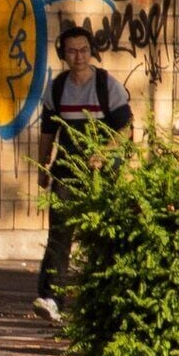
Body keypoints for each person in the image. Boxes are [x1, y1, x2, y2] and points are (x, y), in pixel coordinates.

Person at [34, 23, 134, 321]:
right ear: (63, 55)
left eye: (84, 50)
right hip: (67, 170)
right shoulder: (58, 88)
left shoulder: (107, 86)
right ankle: (51, 298)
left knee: (104, 237)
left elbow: (126, 127)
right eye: (72, 51)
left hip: (101, 174)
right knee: (60, 234)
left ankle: (107, 299)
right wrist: (43, 168)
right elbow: (48, 133)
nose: (78, 57)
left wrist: (104, 154)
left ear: (92, 52)